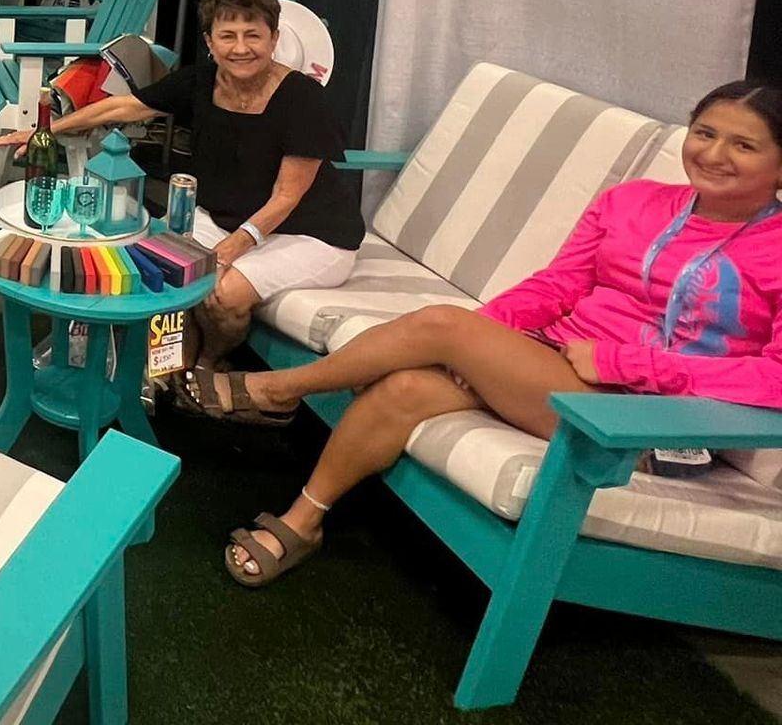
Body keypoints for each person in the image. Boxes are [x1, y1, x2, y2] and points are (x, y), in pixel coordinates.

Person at [201, 79, 782, 586]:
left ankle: (278, 390)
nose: (714, 153)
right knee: (408, 385)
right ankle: (303, 522)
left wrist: (625, 364)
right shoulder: (633, 201)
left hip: (651, 420)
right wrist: (484, 345)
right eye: (704, 132)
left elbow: (775, 379)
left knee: (444, 326)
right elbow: (558, 284)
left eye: (744, 144)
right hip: (553, 368)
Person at [0, 0, 362, 372]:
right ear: (210, 41)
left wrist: (232, 250)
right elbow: (123, 108)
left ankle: (206, 366)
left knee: (223, 293)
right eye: (228, 35)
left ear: (274, 39)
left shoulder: (302, 100)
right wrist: (46, 131)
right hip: (223, 217)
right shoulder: (201, 80)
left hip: (309, 234)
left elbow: (286, 198)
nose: (241, 48)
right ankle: (170, 361)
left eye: (253, 35)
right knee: (147, 260)